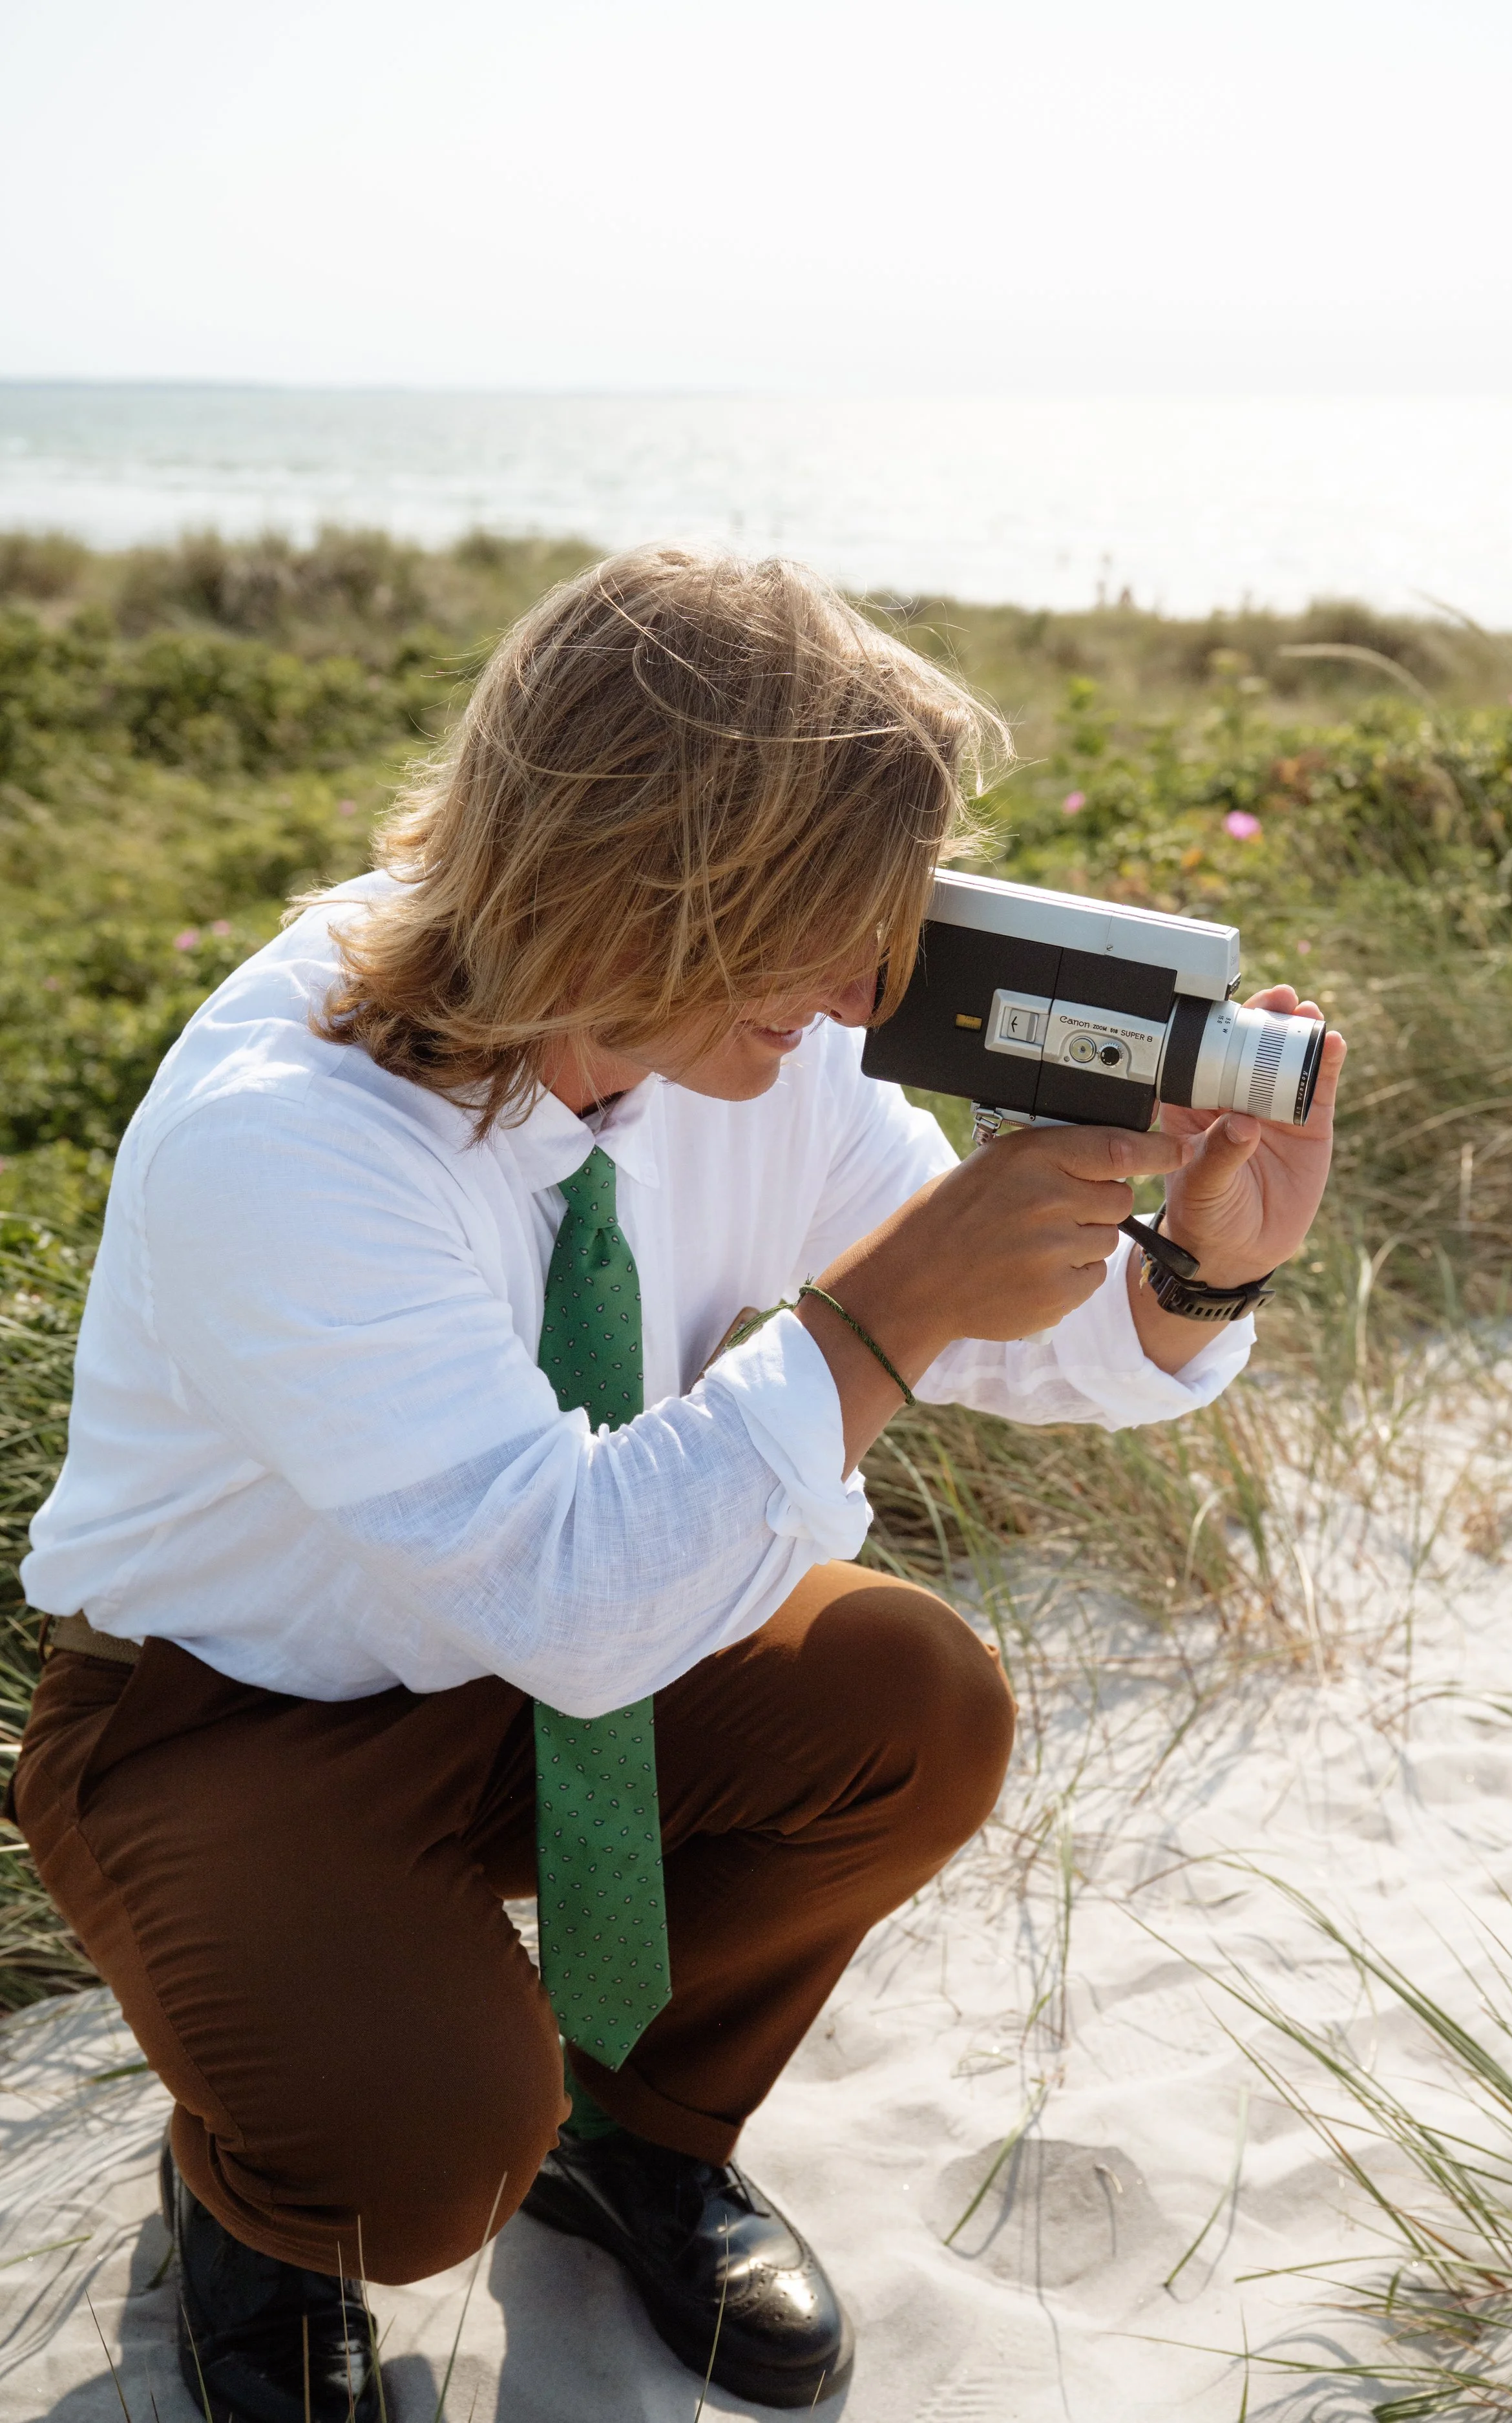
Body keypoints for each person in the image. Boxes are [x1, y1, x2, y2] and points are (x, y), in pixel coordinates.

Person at [9, 549, 1345, 2420]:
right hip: (231, 1709)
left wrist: (1195, 1268)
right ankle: (256, 2211)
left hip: (538, 1635)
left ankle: (636, 2138)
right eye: (819, 918)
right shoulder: (291, 1135)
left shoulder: (753, 1044)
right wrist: (887, 1308)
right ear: (642, 874)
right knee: (415, 2142)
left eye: (880, 917)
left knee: (913, 1703)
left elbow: (1011, 1340)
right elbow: (574, 1589)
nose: (861, 982)